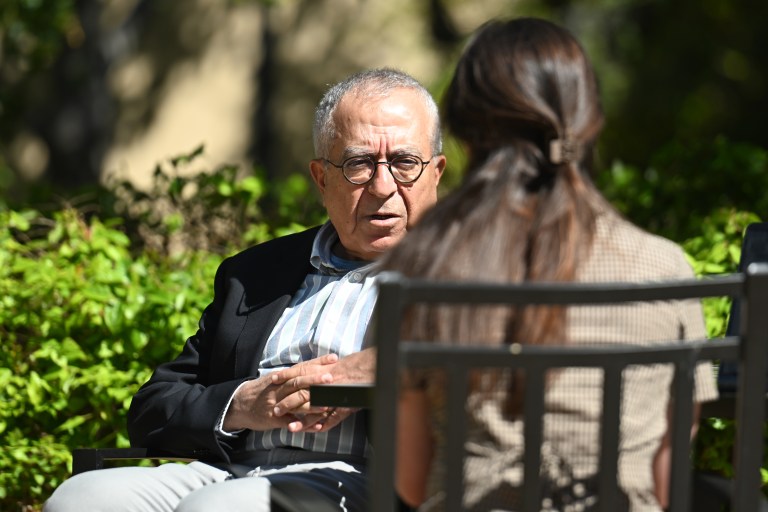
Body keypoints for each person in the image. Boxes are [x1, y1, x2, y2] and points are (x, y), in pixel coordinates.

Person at [43, 67, 445, 512]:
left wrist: (382, 368)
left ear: (437, 173)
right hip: (230, 469)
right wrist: (241, 404)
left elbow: (501, 373)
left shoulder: (463, 272)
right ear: (321, 177)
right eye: (358, 165)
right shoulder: (257, 273)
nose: (383, 186)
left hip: (370, 482)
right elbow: (154, 406)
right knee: (82, 499)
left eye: (405, 163)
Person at [377, 18, 718, 512]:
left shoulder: (424, 266)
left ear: (467, 133)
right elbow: (668, 491)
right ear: (587, 121)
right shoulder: (665, 270)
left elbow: (409, 479)